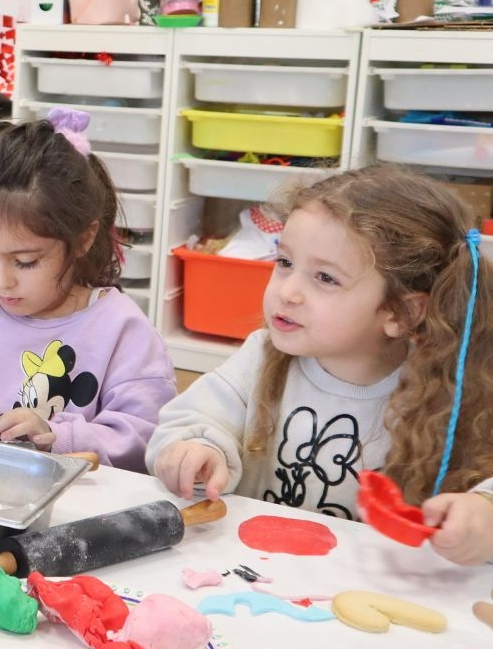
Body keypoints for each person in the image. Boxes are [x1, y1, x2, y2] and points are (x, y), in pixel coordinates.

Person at [148, 165, 493, 566]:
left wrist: (482, 514)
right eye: (284, 262)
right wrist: (197, 450)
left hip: (375, 592)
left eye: (326, 278)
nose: (288, 291)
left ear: (402, 312)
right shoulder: (261, 356)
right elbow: (187, 423)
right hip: (256, 573)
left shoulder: (449, 387)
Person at [0, 110, 176, 471]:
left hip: (68, 506)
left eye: (25, 262)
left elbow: (145, 438)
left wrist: (57, 435)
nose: (1, 281)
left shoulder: (122, 329)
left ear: (84, 239)